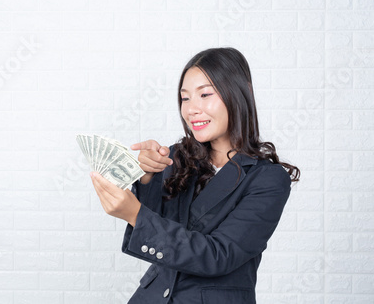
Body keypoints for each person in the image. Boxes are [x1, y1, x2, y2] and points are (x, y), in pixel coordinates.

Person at [90, 47, 300, 303]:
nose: (191, 109)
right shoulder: (179, 156)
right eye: (185, 98)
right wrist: (146, 177)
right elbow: (163, 234)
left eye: (205, 94)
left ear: (240, 92)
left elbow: (219, 255)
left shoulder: (268, 180)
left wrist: (135, 214)